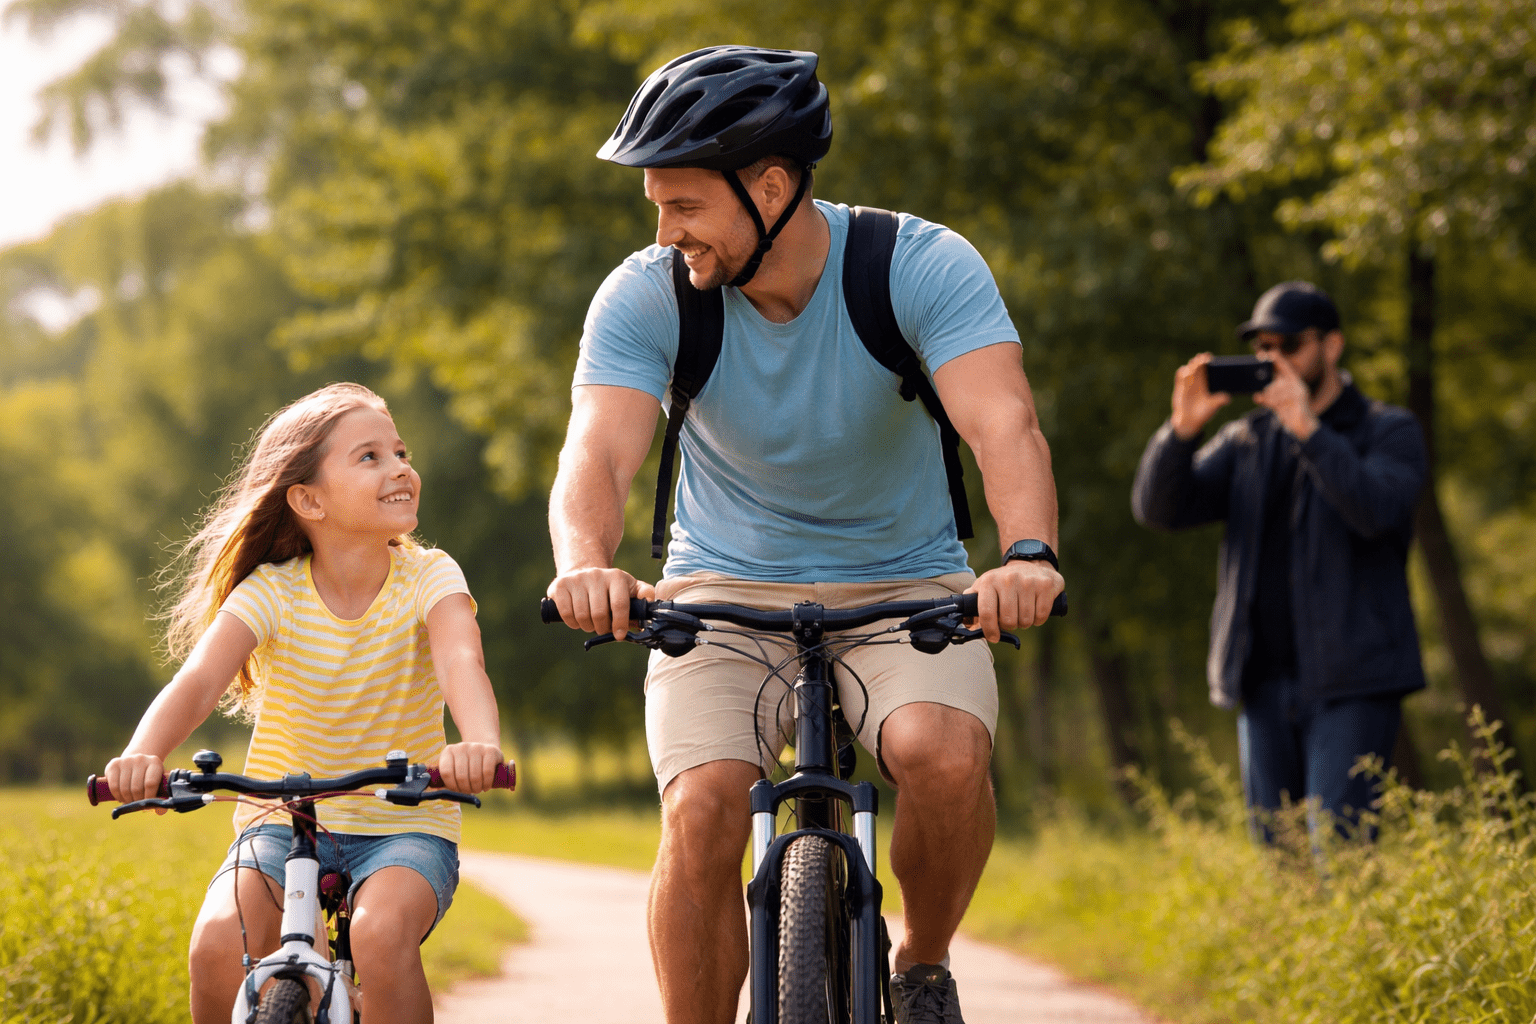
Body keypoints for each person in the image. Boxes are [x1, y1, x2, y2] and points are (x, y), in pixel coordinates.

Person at [544, 45, 1063, 1024]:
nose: (664, 231)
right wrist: (586, 566)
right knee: (702, 808)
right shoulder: (648, 292)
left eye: (684, 204)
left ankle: (924, 962)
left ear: (771, 186)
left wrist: (1027, 554)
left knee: (944, 754)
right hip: (719, 596)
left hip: (906, 589)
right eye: (657, 204)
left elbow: (1004, 424)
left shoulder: (917, 266)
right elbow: (597, 455)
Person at [104, 383, 505, 1024]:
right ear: (308, 499)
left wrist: (479, 745)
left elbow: (462, 664)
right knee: (216, 944)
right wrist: (141, 755)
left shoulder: (432, 576)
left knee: (378, 936)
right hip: (281, 821)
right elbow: (199, 680)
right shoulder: (273, 592)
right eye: (369, 457)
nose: (400, 467)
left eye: (399, 451)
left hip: (404, 824)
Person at [1132, 281, 1427, 844]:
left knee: (1338, 853)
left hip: (1353, 684)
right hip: (1262, 683)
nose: (1274, 360)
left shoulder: (1388, 430)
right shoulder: (1248, 438)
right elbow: (1160, 509)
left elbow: (1377, 510)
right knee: (1280, 855)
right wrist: (1182, 431)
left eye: (1289, 345)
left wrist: (1308, 431)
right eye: (1264, 347)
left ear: (1331, 346)